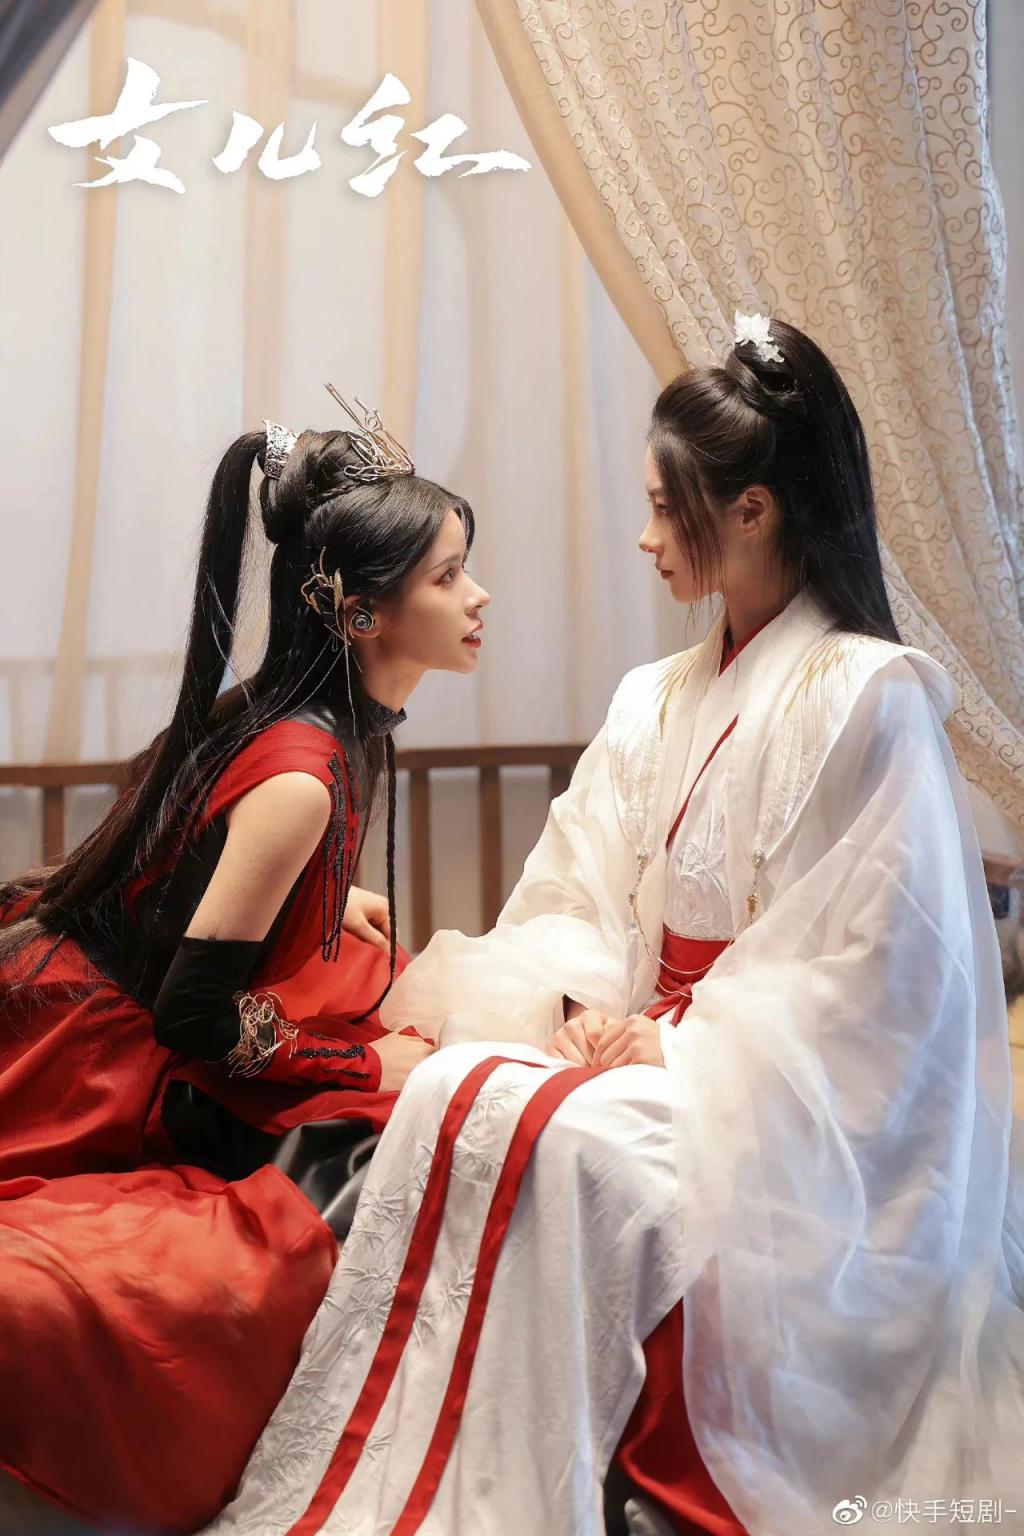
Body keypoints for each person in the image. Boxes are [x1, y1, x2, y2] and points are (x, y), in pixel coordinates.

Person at [206, 317, 1024, 1536]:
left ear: (750, 512)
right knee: (463, 1090)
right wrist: (586, 1010)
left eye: (660, 507)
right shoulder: (653, 698)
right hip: (650, 1041)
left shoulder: (873, 698)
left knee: (581, 1148)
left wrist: (682, 1047)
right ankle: (440, 1461)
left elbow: (883, 982)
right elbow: (574, 887)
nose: (644, 536)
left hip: (793, 1109)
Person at [0, 394, 490, 1536]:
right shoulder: (302, 776)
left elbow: (201, 854)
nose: (477, 598)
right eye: (447, 575)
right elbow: (192, 1013)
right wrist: (354, 1059)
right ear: (362, 614)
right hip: (82, 1061)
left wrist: (324, 897)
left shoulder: (308, 727)